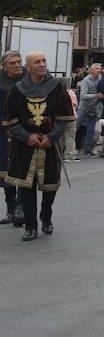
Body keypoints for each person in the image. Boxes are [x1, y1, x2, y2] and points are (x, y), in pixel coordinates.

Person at [4, 52, 73, 240]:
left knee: (50, 186)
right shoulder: (18, 90)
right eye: (37, 62)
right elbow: (10, 120)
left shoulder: (57, 87)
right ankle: (31, 225)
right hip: (25, 147)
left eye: (44, 60)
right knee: (27, 188)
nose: (42, 64)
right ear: (29, 66)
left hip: (49, 145)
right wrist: (27, 137)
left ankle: (46, 216)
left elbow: (63, 116)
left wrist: (52, 137)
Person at [0, 52, 24, 225]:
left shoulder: (29, 80)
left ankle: (21, 208)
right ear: (4, 66)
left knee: (22, 170)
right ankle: (10, 208)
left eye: (19, 62)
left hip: (25, 131)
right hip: (3, 131)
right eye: (12, 63)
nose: (17, 65)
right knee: (6, 170)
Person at [75, 63, 102, 157]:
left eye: (100, 68)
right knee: (75, 127)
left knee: (91, 130)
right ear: (92, 70)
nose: (99, 70)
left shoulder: (100, 79)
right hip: (84, 107)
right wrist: (96, 96)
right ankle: (66, 148)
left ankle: (88, 150)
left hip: (94, 107)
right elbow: (83, 95)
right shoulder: (86, 80)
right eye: (97, 68)